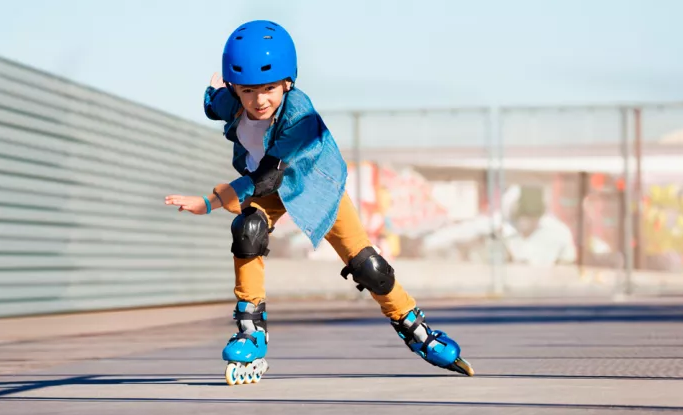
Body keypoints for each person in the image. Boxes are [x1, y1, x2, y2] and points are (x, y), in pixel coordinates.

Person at [164, 20, 473, 385]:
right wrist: (212, 92)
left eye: (269, 89)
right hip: (268, 190)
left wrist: (210, 201)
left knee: (368, 265)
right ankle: (250, 330)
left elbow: (267, 175)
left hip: (314, 185)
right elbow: (213, 104)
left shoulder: (300, 114)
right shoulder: (231, 101)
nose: (259, 101)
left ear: (288, 83)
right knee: (248, 229)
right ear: (234, 88)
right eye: (248, 91)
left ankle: (415, 327)